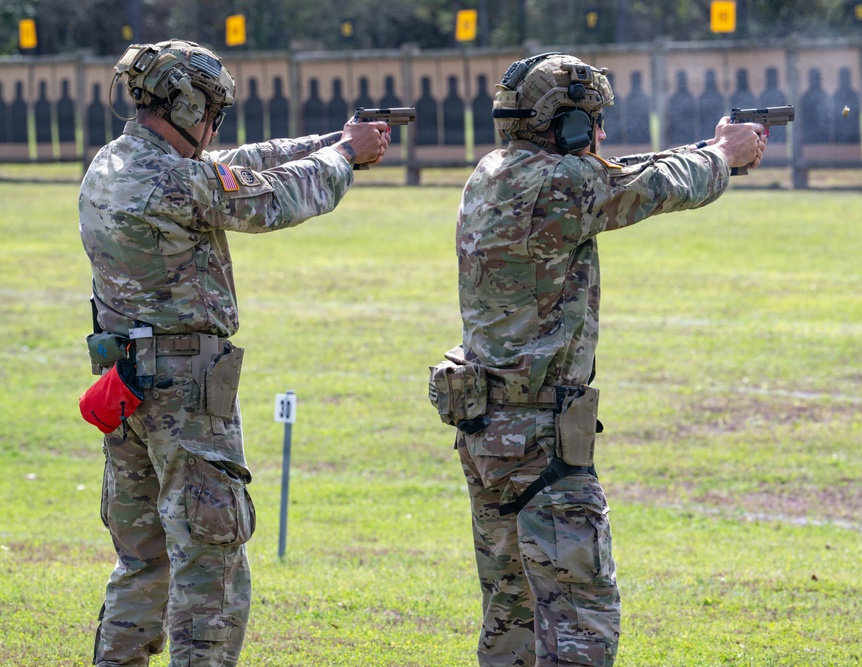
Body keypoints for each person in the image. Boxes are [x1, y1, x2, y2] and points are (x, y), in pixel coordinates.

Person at [433, 52, 765, 667]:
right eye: (592, 122)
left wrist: (711, 146)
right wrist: (722, 156)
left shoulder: (494, 171)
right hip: (541, 439)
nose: (601, 135)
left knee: (513, 621)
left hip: (489, 428)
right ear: (566, 126)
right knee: (580, 623)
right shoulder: (565, 183)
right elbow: (653, 186)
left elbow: (617, 173)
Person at [79, 39, 389, 667]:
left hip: (129, 382)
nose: (215, 124)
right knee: (210, 559)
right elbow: (272, 198)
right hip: (185, 391)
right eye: (211, 111)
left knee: (144, 560)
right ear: (189, 103)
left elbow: (236, 165)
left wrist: (335, 140)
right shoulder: (174, 179)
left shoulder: (112, 165)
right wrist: (345, 161)